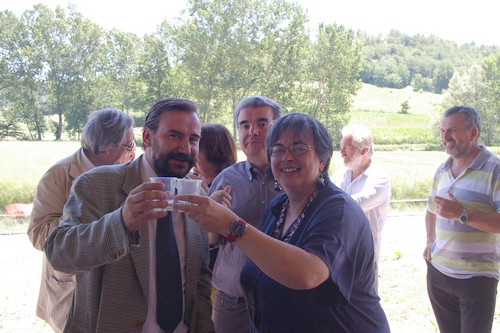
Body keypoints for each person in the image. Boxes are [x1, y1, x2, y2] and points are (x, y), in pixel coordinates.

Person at [177, 113, 390, 333]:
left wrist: (232, 226)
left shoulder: (339, 210)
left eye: (298, 148)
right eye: (277, 150)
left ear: (322, 160)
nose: (286, 157)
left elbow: (308, 274)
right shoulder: (279, 206)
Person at [44, 98, 214, 333]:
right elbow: (59, 254)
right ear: (147, 138)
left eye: (193, 139)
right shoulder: (98, 184)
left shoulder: (197, 194)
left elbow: (200, 283)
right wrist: (121, 222)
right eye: (174, 135)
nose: (185, 149)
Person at [27, 108, 135, 333]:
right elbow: (38, 234)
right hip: (71, 288)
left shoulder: (125, 174)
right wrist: (86, 213)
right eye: (129, 145)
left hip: (114, 289)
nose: (133, 153)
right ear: (107, 147)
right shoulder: (58, 174)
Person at [207, 96, 283, 333]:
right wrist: (212, 214)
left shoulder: (293, 176)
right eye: (245, 125)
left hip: (282, 301)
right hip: (232, 303)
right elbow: (210, 243)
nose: (253, 132)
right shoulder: (225, 180)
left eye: (262, 124)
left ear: (277, 129)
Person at [423, 106, 500, 333]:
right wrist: (429, 241)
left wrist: (461, 214)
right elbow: (430, 209)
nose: (445, 137)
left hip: (476, 278)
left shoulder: (495, 169)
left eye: (453, 130)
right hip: (439, 273)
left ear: (473, 133)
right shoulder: (442, 169)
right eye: (442, 130)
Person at [331, 124, 390, 293]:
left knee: (365, 310)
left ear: (363, 151)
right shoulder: (338, 176)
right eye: (341, 147)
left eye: (346, 148)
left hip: (364, 257)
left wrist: (328, 204)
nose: (341, 152)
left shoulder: (380, 178)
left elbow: (356, 204)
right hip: (336, 255)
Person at [190, 123, 237, 270]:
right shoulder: (192, 180)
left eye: (198, 153)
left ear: (215, 156)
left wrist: (204, 191)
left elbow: (215, 237)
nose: (192, 156)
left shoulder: (231, 185)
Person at [191, 123, 238, 192]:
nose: (192, 160)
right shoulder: (191, 178)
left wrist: (204, 189)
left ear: (215, 158)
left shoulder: (227, 184)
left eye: (197, 156)